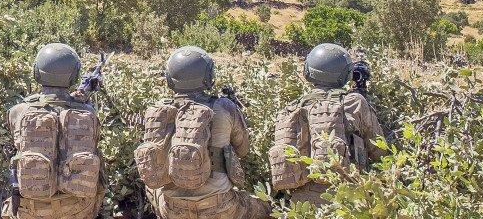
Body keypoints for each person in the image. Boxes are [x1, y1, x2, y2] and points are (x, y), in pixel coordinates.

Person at [136, 47, 268, 219]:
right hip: (221, 208)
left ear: (169, 78)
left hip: (172, 209)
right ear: (209, 76)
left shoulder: (156, 112)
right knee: (264, 207)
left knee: (152, 190)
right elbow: (243, 150)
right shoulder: (224, 106)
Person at [269, 43, 385, 206]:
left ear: (308, 72)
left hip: (300, 205)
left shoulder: (289, 110)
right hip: (344, 199)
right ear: (346, 75)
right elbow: (380, 151)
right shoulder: (354, 102)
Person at [2, 43, 104, 219]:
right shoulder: (88, 112)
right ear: (73, 77)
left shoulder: (18, 111)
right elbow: (66, 110)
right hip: (77, 209)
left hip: (30, 210)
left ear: (37, 72)